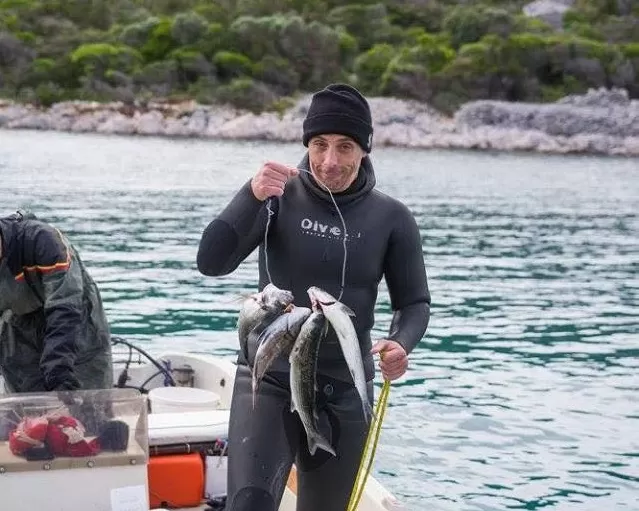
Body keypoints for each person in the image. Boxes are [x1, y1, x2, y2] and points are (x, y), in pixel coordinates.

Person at [197, 83, 431, 511]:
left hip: (345, 390)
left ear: (365, 149)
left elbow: (414, 303)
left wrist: (401, 343)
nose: (329, 161)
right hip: (267, 381)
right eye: (320, 144)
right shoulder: (274, 197)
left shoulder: (392, 218)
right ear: (306, 143)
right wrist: (249, 195)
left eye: (345, 147)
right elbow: (211, 262)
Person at [0, 210, 114, 395]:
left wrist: (58, 369)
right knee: (24, 405)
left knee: (86, 397)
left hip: (74, 314)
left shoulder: (44, 241)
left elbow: (65, 307)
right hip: (16, 321)